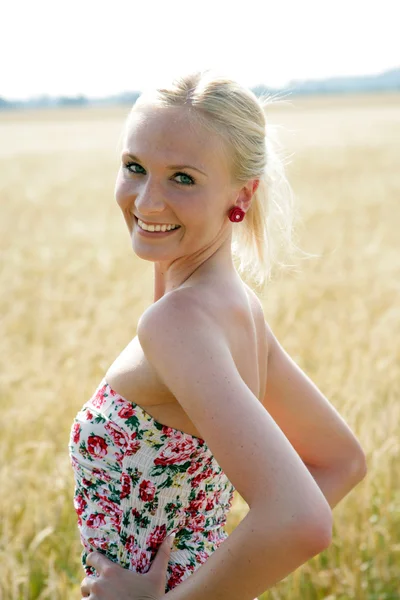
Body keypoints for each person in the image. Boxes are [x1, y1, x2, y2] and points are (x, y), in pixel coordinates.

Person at [69, 69, 367, 600]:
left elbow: (301, 519)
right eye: (134, 167)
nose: (147, 202)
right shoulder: (236, 308)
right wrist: (206, 563)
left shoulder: (176, 323)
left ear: (243, 194)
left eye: (182, 177)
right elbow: (340, 461)